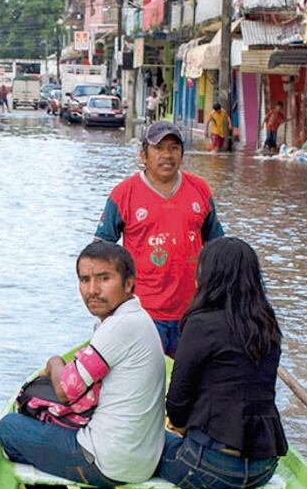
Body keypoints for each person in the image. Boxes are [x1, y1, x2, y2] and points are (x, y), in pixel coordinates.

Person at [0, 240, 166, 489]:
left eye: (104, 278)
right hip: (141, 456)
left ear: (129, 283)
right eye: (85, 280)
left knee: (10, 428)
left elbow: (65, 390)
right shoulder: (137, 319)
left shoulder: (120, 327)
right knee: (87, 427)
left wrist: (54, 363)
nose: (92, 290)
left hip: (114, 460)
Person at [157, 237, 287, 489]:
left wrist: (179, 426)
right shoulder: (268, 325)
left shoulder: (201, 323)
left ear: (209, 277)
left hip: (211, 465)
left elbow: (177, 404)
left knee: (146, 445)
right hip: (263, 467)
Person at [95, 119, 225, 355]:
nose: (167, 155)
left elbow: (218, 248)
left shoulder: (200, 190)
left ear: (182, 153)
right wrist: (107, 307)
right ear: (143, 155)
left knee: (187, 375)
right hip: (142, 313)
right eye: (159, 148)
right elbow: (100, 253)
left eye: (174, 148)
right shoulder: (123, 194)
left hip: (192, 312)